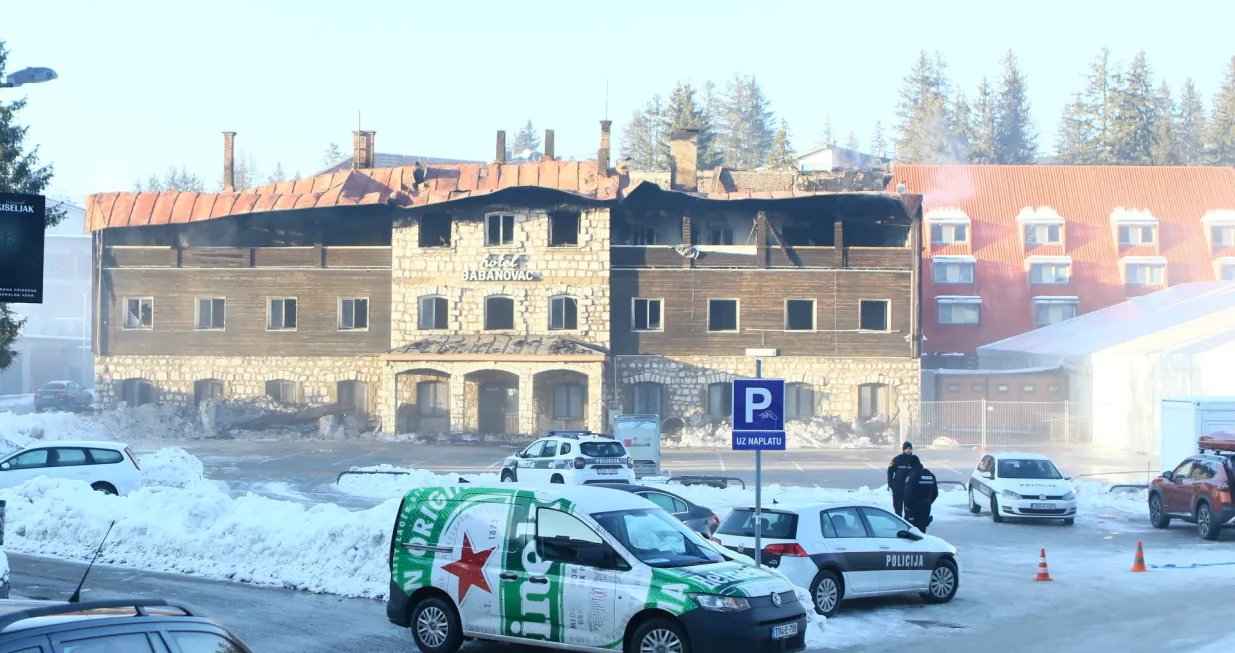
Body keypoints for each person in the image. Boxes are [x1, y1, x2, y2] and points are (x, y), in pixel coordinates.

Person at [904, 456, 940, 533]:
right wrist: (928, 502)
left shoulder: (912, 475)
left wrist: (907, 507)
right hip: (926, 508)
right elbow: (935, 493)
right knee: (922, 531)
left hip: (913, 509)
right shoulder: (930, 474)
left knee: (912, 532)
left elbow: (908, 493)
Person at [887, 442, 917, 518]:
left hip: (909, 488)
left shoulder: (915, 460)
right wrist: (890, 484)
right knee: (897, 506)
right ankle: (898, 519)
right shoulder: (897, 459)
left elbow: (919, 472)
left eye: (910, 448)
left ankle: (907, 520)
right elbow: (890, 471)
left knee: (909, 506)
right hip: (898, 486)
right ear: (904, 449)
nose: (908, 450)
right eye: (907, 448)